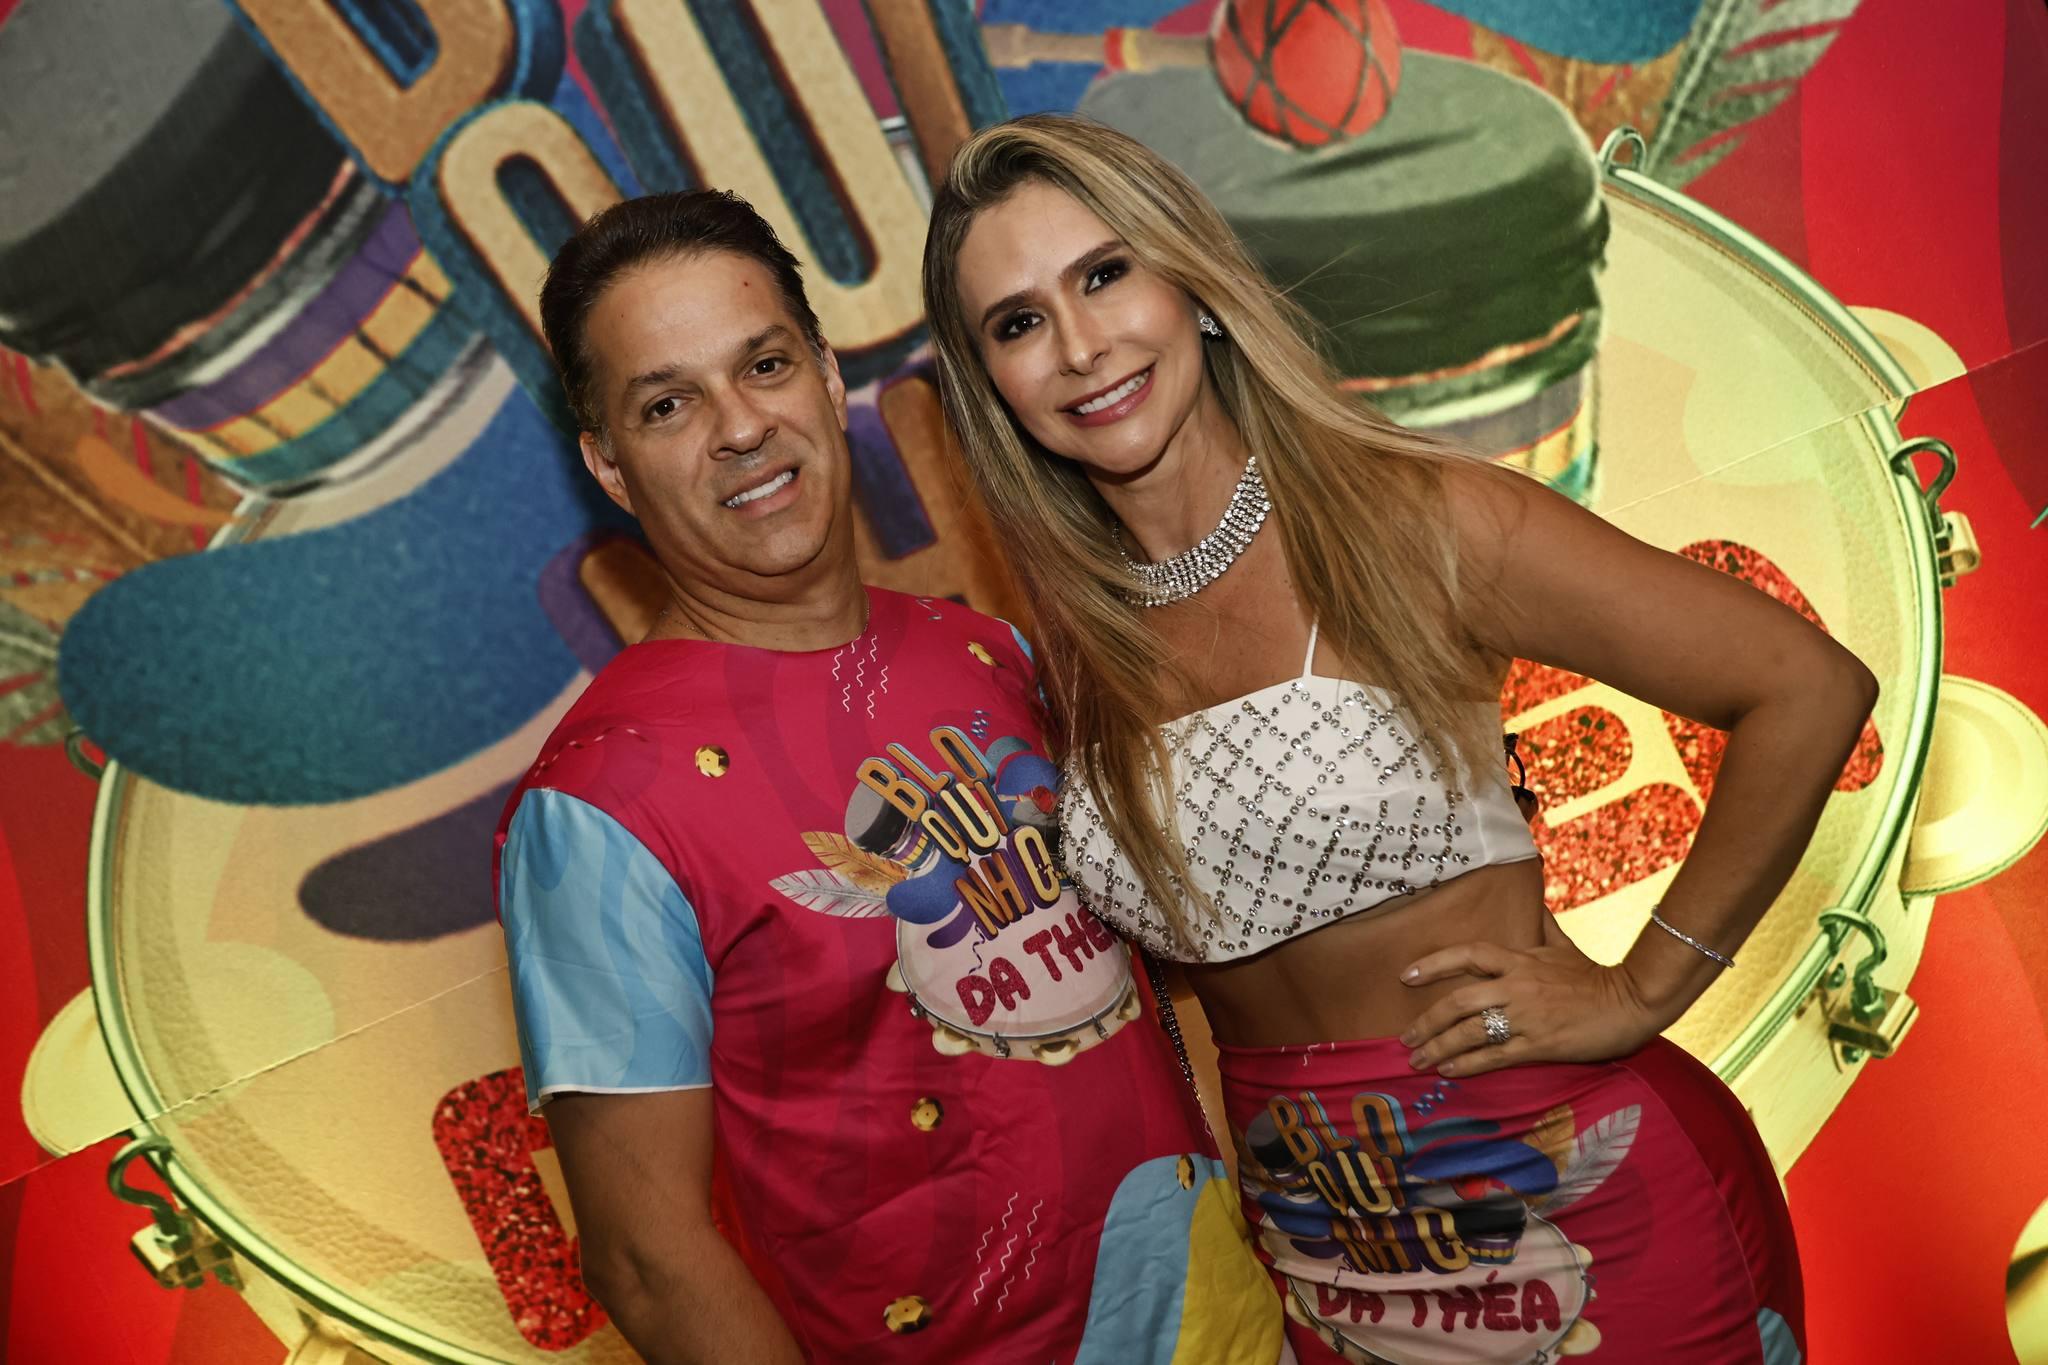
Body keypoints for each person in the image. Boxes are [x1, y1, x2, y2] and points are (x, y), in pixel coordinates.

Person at [921, 114, 1871, 1363]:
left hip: (1573, 1198)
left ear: (1192, 284)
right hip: (1323, 1254)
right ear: (989, 383)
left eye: (1104, 274)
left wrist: (1643, 988)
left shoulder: (1410, 523)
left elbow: (1803, 684)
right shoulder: (1079, 650)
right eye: (1017, 322)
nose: (1079, 345)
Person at [493, 189, 1287, 1364]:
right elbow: (647, 1259)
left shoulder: (984, 649)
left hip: (1223, 1318)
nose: (739, 427)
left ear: (825, 374)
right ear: (609, 464)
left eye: (763, 365)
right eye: (668, 404)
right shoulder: (599, 805)